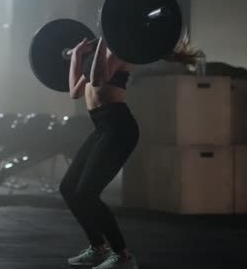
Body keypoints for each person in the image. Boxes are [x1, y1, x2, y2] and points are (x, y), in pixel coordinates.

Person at [60, 35, 203, 269]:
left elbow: (98, 80)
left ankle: (124, 256)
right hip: (101, 127)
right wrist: (76, 55)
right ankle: (98, 248)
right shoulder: (98, 54)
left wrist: (104, 42)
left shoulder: (119, 51)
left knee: (87, 192)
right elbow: (74, 92)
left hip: (119, 127)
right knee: (68, 188)